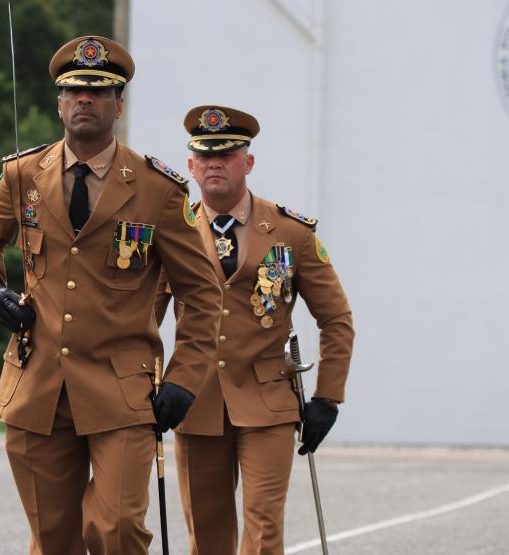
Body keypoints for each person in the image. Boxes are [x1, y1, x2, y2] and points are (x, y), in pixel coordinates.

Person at [0, 36, 222, 555]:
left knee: (117, 528)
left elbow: (202, 292)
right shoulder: (21, 174)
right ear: (59, 103)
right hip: (37, 384)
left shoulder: (158, 188)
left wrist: (184, 378)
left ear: (118, 105)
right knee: (53, 538)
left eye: (100, 92)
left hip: (121, 389)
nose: (85, 99)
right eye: (74, 91)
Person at [155, 105, 354, 555]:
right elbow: (144, 317)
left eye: (226, 155)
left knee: (264, 530)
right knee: (206, 534)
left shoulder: (290, 232)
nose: (214, 164)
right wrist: (145, 384)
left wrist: (327, 397)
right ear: (191, 166)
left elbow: (336, 318)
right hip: (195, 399)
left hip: (268, 403)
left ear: (247, 162)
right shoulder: (173, 231)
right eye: (205, 156)